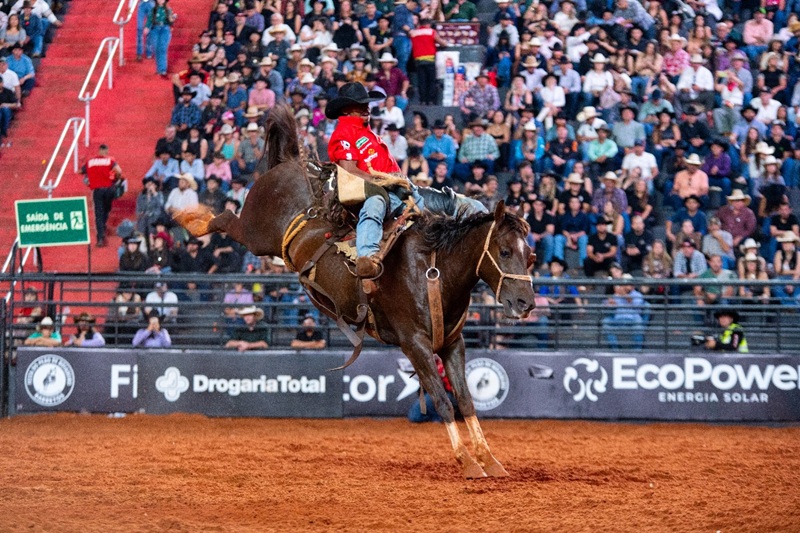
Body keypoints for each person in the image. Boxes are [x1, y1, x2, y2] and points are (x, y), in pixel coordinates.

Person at [326, 82, 485, 278]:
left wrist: (396, 181)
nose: (367, 108)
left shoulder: (366, 132)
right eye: (360, 105)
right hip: (378, 192)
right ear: (346, 110)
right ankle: (366, 258)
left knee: (457, 203)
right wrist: (384, 181)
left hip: (404, 190)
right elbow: (349, 170)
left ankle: (490, 224)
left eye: (366, 103)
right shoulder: (343, 133)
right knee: (374, 205)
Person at [82, 144, 122, 248]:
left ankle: (100, 237)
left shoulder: (91, 162)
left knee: (98, 213)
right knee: (106, 209)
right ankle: (102, 228)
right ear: (106, 151)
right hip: (109, 189)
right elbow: (119, 171)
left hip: (98, 190)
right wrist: (116, 179)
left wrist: (89, 177)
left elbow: (80, 171)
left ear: (99, 151)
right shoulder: (109, 161)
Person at [143, 0, 176, 77]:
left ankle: (163, 69)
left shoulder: (168, 10)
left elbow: (171, 22)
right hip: (155, 29)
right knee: (156, 49)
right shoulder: (153, 9)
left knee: (163, 49)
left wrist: (172, 19)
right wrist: (147, 27)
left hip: (165, 29)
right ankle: (159, 69)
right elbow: (150, 19)